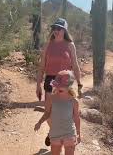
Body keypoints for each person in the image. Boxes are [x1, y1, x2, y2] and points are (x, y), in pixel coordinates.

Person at [36, 18, 82, 146]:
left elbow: (76, 65)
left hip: (66, 81)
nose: (56, 31)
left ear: (65, 30)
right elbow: (41, 67)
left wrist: (79, 83)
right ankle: (53, 132)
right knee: (49, 111)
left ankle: (64, 135)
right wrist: (38, 85)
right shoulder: (48, 45)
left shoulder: (70, 45)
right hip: (50, 80)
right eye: (54, 28)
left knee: (67, 112)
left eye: (59, 28)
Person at [34, 70, 81, 155]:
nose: (59, 88)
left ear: (69, 87)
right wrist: (39, 122)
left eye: (62, 86)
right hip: (55, 133)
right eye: (57, 86)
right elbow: (47, 113)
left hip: (69, 133)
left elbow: (77, 118)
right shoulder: (51, 99)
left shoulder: (74, 101)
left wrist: (78, 134)